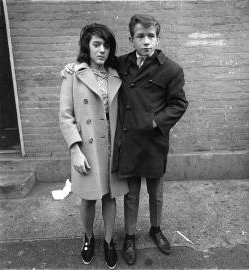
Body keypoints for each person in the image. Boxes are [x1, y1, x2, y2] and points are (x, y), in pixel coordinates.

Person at [62, 14, 188, 266]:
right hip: (126, 142)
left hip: (153, 141)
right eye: (140, 36)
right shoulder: (122, 64)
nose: (146, 42)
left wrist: (156, 122)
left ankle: (156, 229)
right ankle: (128, 237)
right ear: (131, 39)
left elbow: (179, 103)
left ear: (158, 38)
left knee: (156, 192)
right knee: (130, 194)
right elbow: (90, 73)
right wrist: (72, 67)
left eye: (151, 36)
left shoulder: (171, 68)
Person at [59, 23, 128, 269]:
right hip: (86, 147)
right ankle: (89, 238)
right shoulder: (73, 74)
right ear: (86, 46)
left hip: (113, 145)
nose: (102, 50)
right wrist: (75, 150)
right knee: (88, 198)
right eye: (96, 44)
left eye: (106, 45)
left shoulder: (116, 73)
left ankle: (108, 241)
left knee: (110, 197)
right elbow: (66, 116)